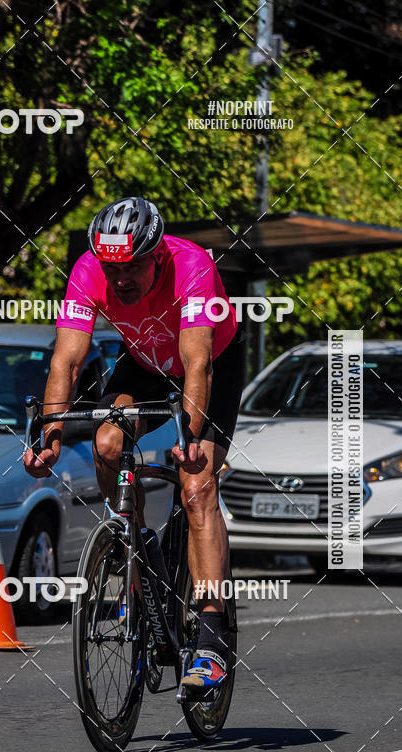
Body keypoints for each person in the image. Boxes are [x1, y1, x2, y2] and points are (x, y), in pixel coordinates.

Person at [24, 197, 245, 690]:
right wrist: (51, 438)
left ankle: (210, 635)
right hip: (145, 361)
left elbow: (197, 361)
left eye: (132, 268)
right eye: (111, 267)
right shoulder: (87, 270)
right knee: (106, 442)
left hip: (210, 363)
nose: (119, 278)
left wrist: (189, 438)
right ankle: (140, 544)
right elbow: (67, 361)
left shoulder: (193, 266)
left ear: (157, 257)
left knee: (197, 484)